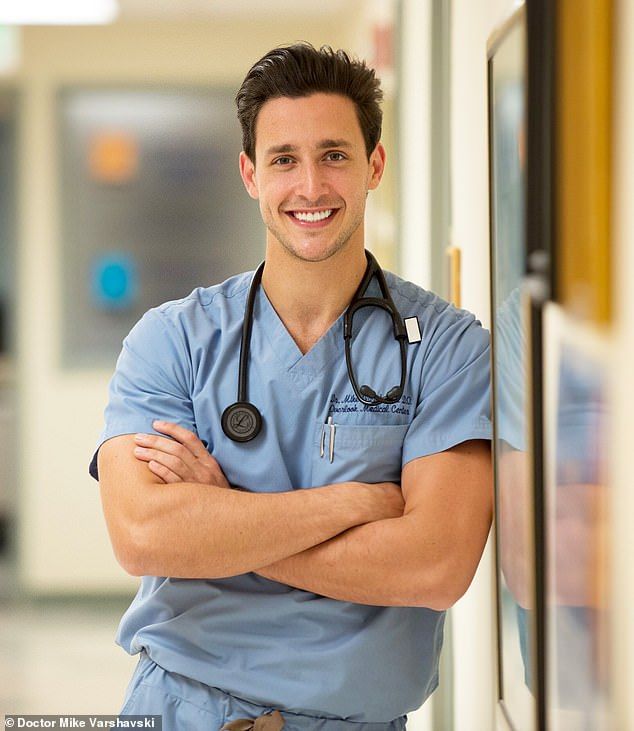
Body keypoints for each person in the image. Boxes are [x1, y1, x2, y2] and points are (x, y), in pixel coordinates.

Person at [91, 43, 493, 731]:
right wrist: (355, 503)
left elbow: (434, 565)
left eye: (334, 154)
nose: (310, 186)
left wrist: (222, 518)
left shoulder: (447, 347)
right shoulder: (173, 340)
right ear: (250, 173)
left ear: (375, 165)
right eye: (284, 159)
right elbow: (141, 533)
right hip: (178, 707)